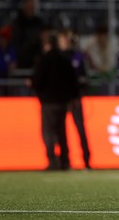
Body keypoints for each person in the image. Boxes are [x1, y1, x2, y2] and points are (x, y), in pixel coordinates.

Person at [32, 28, 79, 170]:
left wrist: (34, 86)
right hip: (62, 102)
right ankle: (65, 161)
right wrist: (73, 98)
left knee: (48, 132)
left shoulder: (43, 60)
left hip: (48, 102)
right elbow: (73, 81)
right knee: (61, 132)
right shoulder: (64, 60)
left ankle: (52, 161)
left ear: (47, 45)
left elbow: (38, 81)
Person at [57, 28, 91, 169]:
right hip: (62, 99)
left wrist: (79, 93)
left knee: (81, 130)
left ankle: (87, 160)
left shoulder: (77, 56)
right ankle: (65, 161)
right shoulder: (58, 57)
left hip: (75, 99)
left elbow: (83, 76)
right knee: (61, 131)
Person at [10, 0, 44, 69]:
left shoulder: (38, 23)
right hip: (21, 59)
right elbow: (15, 43)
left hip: (36, 60)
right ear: (24, 7)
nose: (31, 9)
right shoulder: (17, 23)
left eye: (32, 7)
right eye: (29, 7)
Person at [0, 25, 16, 96]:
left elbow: (13, 64)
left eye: (5, 38)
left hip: (8, 78)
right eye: (1, 38)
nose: (3, 40)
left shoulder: (10, 50)